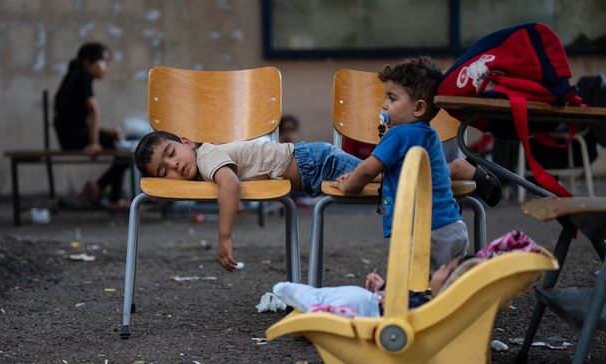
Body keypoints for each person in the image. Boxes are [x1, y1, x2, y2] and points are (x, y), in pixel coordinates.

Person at [134, 133, 364, 271]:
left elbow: (230, 184)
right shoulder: (201, 168)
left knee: (388, 177)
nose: (173, 165)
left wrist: (224, 236)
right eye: (163, 171)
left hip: (316, 161)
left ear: (188, 142)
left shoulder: (206, 156)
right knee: (384, 180)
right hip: (311, 169)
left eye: (172, 152)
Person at [331, 57, 469, 273]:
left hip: (424, 230)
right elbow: (402, 174)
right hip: (453, 226)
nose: (385, 105)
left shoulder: (398, 134)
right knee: (447, 285)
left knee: (419, 290)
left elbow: (368, 169)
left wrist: (347, 186)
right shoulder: (430, 135)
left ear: (419, 107)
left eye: (392, 99)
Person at [272, 229, 542, 318]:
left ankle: (308, 301)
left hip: (371, 313)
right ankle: (310, 298)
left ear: (450, 285)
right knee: (346, 293)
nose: (440, 268)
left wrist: (388, 300)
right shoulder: (434, 300)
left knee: (349, 296)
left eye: (445, 269)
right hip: (377, 306)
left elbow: (410, 313)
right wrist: (386, 287)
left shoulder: (435, 309)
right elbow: (410, 297)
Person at [54, 42, 130, 213]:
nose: (107, 66)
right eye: (104, 61)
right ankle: (111, 196)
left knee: (116, 142)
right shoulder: (83, 76)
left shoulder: (73, 75)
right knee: (124, 153)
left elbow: (76, 120)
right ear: (88, 62)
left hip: (68, 135)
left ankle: (99, 189)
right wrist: (94, 143)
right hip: (73, 136)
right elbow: (94, 110)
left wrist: (107, 133)